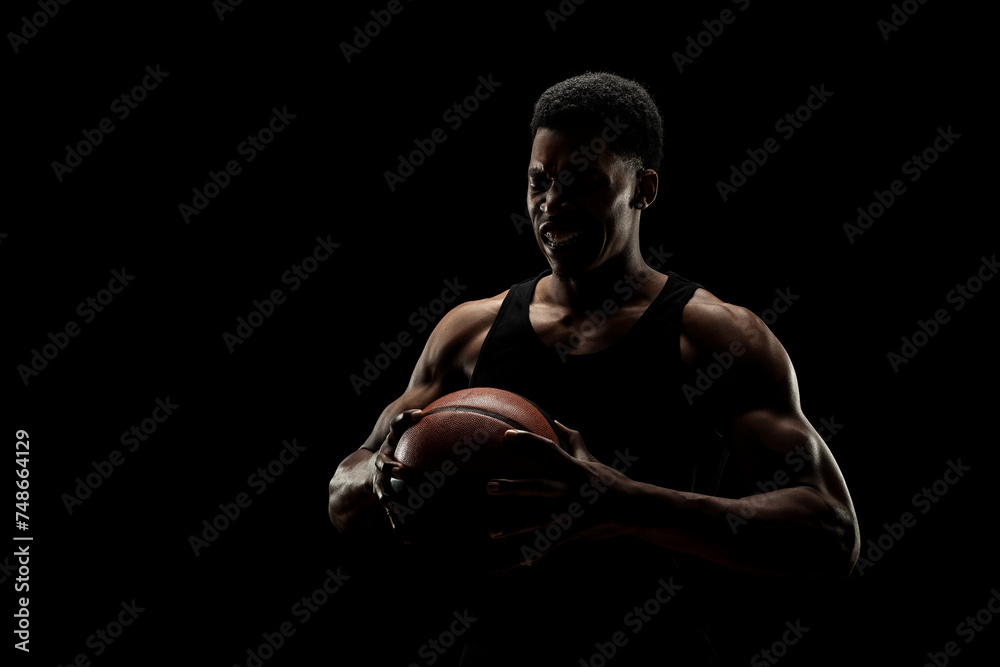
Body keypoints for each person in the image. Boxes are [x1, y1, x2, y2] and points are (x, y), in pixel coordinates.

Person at [328, 71, 860, 666]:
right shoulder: (470, 331)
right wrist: (384, 472)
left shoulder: (716, 335)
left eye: (581, 180)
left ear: (644, 189)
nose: (552, 203)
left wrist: (621, 502)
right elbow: (343, 495)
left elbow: (831, 534)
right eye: (539, 182)